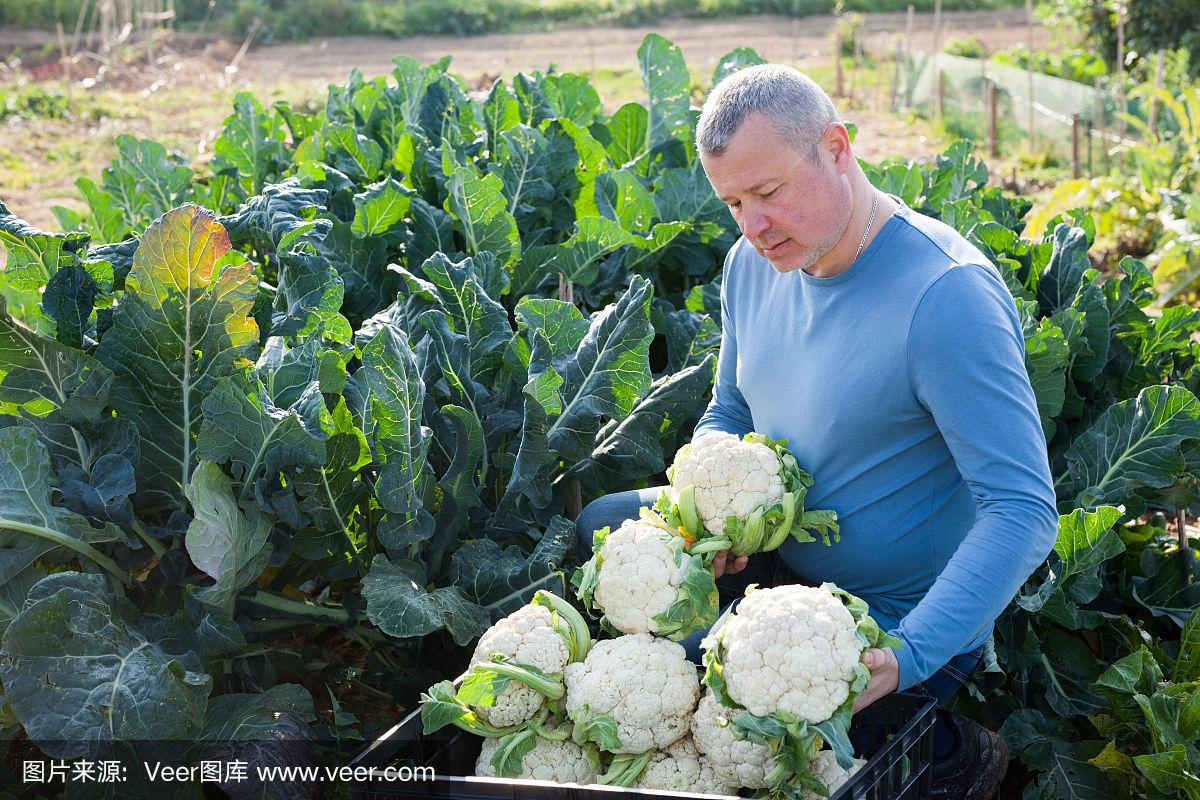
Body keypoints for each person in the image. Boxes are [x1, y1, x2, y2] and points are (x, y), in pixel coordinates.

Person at [574, 64, 1059, 798]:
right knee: (607, 526)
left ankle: (951, 749)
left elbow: (1023, 512)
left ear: (837, 147)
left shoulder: (945, 298)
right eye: (733, 201)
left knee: (736, 731)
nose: (752, 225)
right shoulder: (750, 262)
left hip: (891, 611)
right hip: (777, 558)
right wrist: (710, 517)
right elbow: (729, 411)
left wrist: (907, 652)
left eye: (767, 194)